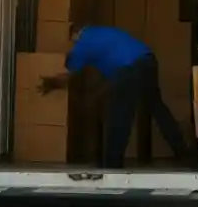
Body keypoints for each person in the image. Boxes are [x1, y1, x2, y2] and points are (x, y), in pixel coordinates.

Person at [39, 24, 188, 169]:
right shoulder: (103, 33)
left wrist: (51, 83)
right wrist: (93, 98)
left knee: (120, 117)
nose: (72, 44)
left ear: (75, 34)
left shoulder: (83, 42)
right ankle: (182, 152)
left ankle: (113, 165)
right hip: (148, 60)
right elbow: (111, 82)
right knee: (158, 109)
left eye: (72, 41)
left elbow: (68, 75)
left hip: (130, 68)